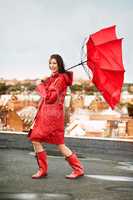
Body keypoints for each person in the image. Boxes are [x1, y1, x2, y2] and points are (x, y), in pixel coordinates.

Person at [27, 54, 84, 179]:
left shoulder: (61, 79)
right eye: (50, 63)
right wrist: (44, 80)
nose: (52, 66)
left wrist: (39, 85)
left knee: (38, 139)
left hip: (51, 116)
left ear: (59, 64)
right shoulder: (55, 78)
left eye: (54, 63)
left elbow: (50, 97)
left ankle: (43, 170)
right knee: (57, 143)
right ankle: (77, 169)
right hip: (49, 115)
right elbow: (49, 89)